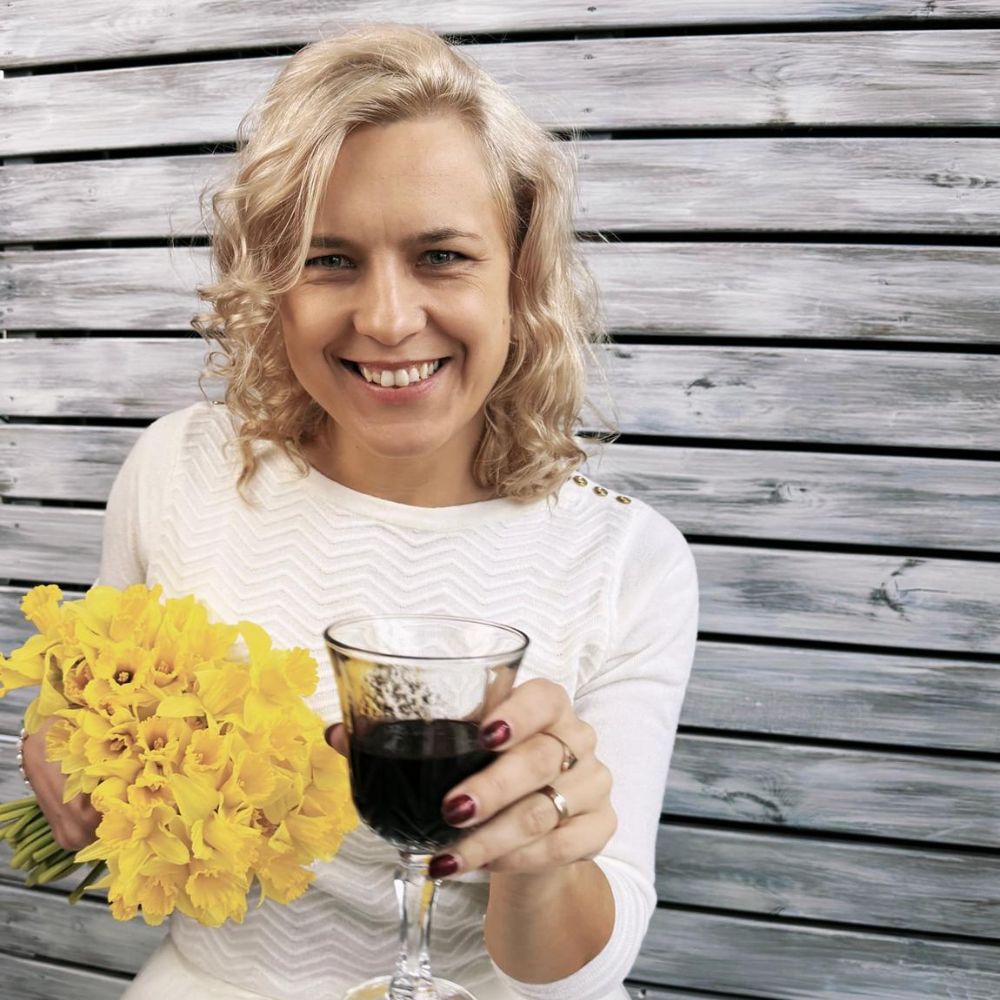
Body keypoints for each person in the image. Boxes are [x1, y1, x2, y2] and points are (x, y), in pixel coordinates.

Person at [21, 22, 698, 1000]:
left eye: (441, 255)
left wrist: (540, 861)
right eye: (329, 259)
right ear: (274, 284)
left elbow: (575, 973)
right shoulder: (178, 465)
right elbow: (76, 695)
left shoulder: (625, 560)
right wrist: (62, 744)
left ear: (520, 278)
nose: (386, 319)